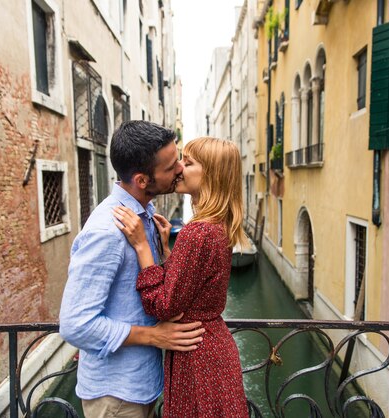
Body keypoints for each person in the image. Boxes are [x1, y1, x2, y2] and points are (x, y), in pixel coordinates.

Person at [59, 121, 206, 418]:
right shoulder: (107, 232)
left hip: (139, 385)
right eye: (170, 166)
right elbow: (75, 324)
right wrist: (154, 336)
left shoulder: (146, 216)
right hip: (115, 397)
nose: (180, 168)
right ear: (142, 180)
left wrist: (163, 251)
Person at [113, 137, 249, 418]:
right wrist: (167, 251)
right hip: (211, 347)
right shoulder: (215, 226)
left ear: (210, 174)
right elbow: (192, 284)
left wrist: (142, 247)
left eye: (188, 163)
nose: (179, 169)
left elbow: (163, 306)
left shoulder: (197, 233)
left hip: (197, 354)